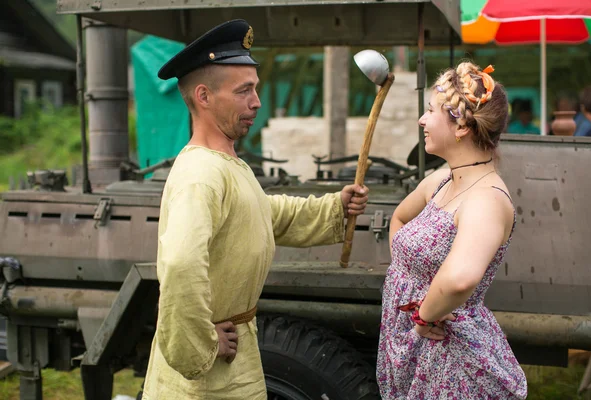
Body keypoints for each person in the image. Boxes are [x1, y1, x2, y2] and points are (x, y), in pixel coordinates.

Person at [140, 20, 369, 400]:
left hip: (231, 362)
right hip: (205, 381)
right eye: (244, 91)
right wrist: (201, 342)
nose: (256, 102)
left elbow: (260, 213)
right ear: (204, 96)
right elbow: (180, 264)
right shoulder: (201, 174)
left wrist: (334, 208)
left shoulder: (225, 162)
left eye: (255, 89)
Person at [377, 62, 527, 399]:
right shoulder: (441, 180)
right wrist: (405, 273)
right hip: (413, 347)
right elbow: (399, 219)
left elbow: (460, 279)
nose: (422, 120)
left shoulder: (486, 200)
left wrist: (423, 315)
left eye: (430, 111)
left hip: (451, 360)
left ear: (460, 127)